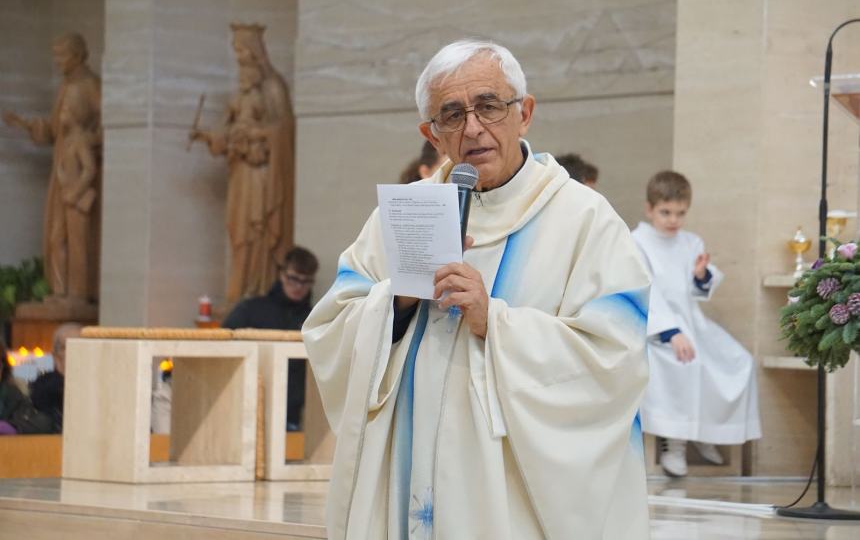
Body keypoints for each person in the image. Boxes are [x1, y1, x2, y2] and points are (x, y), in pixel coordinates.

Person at [303, 39, 652, 539]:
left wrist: (496, 322)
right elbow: (330, 327)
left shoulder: (583, 219)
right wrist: (397, 301)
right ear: (432, 134)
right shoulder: (403, 216)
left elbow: (616, 356)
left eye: (489, 106)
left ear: (524, 113)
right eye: (451, 115)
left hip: (507, 495)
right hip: (408, 468)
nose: (473, 128)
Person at [632, 171, 761, 477]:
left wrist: (702, 275)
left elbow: (696, 289)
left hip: (693, 322)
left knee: (739, 362)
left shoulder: (691, 242)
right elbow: (642, 288)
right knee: (685, 361)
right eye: (665, 212)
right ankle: (674, 444)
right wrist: (671, 331)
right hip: (655, 329)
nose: (673, 220)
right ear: (649, 209)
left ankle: (708, 432)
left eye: (680, 213)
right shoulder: (636, 241)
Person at [190, 24, 294, 303]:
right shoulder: (239, 95)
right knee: (238, 232)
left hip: (262, 175)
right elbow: (223, 134)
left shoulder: (272, 87)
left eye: (241, 50)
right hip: (241, 173)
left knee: (257, 230)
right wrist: (208, 137)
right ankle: (239, 293)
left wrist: (255, 134)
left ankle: (257, 288)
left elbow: (283, 130)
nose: (238, 57)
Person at [2, 33, 101, 302]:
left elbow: (106, 129)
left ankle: (78, 294)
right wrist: (24, 124)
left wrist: (81, 141)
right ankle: (59, 291)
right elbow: (55, 129)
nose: (58, 62)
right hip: (61, 171)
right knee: (56, 235)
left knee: (76, 238)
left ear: (78, 56)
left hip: (78, 181)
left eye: (62, 55)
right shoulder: (65, 85)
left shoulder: (90, 85)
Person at [223, 246, 319, 431]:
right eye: (293, 279)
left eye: (306, 281)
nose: (298, 287)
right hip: (249, 399)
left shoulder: (315, 318)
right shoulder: (251, 309)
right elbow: (224, 343)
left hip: (292, 408)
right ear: (282, 275)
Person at [28, 322, 81, 434]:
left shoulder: (95, 386)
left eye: (81, 345)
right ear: (56, 354)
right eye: (67, 347)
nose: (76, 351)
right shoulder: (43, 386)